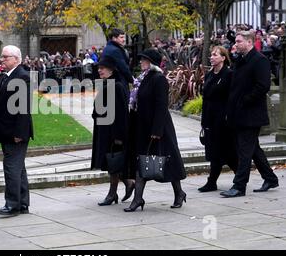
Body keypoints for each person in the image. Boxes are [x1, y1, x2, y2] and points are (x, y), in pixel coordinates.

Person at [125, 48, 186, 212]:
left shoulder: (158, 79)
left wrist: (157, 130)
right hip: (144, 127)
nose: (140, 62)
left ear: (151, 62)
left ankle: (179, 192)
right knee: (143, 161)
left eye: (143, 59)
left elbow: (161, 106)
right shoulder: (144, 78)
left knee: (168, 161)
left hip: (159, 129)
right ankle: (138, 199)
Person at [221, 31, 279, 197]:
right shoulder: (241, 60)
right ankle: (271, 178)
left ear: (249, 42)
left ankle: (239, 186)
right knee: (253, 149)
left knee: (244, 151)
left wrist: (244, 101)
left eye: (239, 41)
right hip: (239, 114)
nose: (235, 44)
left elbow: (263, 86)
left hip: (251, 114)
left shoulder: (260, 60)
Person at [0, 45, 33, 217]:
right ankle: (22, 204)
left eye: (6, 57)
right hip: (6, 130)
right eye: (2, 56)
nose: (2, 59)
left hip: (15, 132)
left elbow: (24, 108)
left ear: (16, 59)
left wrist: (20, 134)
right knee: (18, 168)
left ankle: (13, 204)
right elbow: (0, 106)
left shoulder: (22, 76)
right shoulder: (8, 76)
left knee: (12, 168)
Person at [91, 57, 131, 206]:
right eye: (99, 68)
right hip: (104, 129)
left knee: (113, 162)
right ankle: (127, 183)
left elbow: (121, 114)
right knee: (110, 162)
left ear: (112, 69)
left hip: (113, 132)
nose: (100, 70)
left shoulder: (117, 86)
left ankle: (112, 193)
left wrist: (118, 136)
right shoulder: (107, 84)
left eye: (103, 68)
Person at [198, 46, 238, 192]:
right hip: (210, 118)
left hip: (223, 119)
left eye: (215, 55)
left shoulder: (229, 74)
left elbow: (232, 98)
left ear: (223, 58)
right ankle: (212, 182)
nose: (211, 57)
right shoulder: (209, 74)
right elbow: (206, 98)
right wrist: (204, 120)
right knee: (215, 152)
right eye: (211, 54)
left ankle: (239, 179)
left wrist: (228, 116)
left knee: (227, 152)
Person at [100, 28, 133, 93]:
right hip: (118, 83)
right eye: (121, 37)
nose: (124, 39)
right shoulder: (116, 50)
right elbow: (124, 68)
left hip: (109, 82)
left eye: (124, 37)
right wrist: (132, 80)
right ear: (114, 38)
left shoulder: (107, 48)